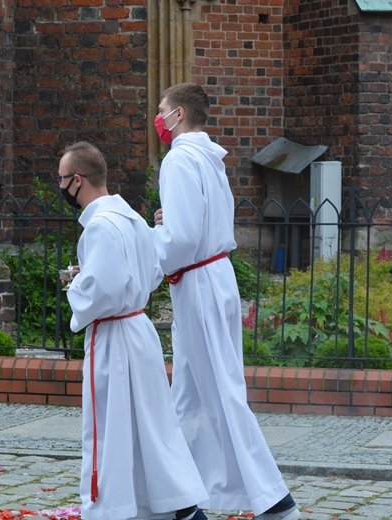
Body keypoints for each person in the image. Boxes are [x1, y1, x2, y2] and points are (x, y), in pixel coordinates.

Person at [151, 83, 301, 520]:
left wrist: (152, 242)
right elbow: (199, 220)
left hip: (198, 281)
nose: (157, 118)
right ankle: (180, 498)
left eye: (162, 111)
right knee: (189, 394)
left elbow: (180, 239)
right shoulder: (207, 158)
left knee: (220, 392)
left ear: (178, 114)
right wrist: (169, 223)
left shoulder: (179, 159)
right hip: (212, 277)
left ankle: (274, 500)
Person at [58, 141, 210, 520]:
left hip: (114, 338)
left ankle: (112, 508)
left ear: (78, 180)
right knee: (151, 427)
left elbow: (104, 291)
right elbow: (152, 272)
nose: (60, 186)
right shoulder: (132, 218)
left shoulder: (99, 226)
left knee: (111, 431)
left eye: (62, 179)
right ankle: (170, 507)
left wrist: (74, 286)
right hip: (139, 332)